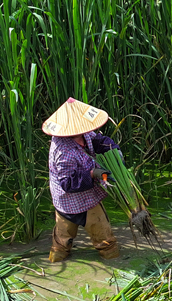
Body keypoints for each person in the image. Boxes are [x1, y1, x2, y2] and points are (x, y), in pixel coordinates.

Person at [44, 97, 121, 262]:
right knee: (61, 243)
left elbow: (98, 141)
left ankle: (112, 258)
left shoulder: (84, 133)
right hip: (67, 202)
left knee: (105, 241)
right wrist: (92, 174)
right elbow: (68, 183)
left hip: (89, 201)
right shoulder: (63, 152)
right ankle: (56, 262)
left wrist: (113, 149)